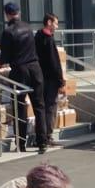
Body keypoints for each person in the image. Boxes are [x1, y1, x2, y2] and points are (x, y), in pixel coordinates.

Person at [0, 2, 47, 155]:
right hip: (35, 68)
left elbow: (4, 57)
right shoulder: (28, 27)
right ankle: (42, 143)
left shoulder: (8, 32)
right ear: (18, 12)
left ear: (7, 14)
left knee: (20, 108)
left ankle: (21, 143)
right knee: (39, 106)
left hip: (20, 71)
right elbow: (22, 44)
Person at [34, 13, 66, 148]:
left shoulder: (37, 37)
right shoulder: (48, 39)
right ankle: (47, 136)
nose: (57, 26)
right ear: (49, 22)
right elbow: (54, 63)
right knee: (50, 108)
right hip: (51, 80)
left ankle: (40, 136)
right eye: (55, 23)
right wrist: (61, 80)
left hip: (40, 78)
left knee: (42, 108)